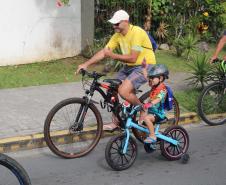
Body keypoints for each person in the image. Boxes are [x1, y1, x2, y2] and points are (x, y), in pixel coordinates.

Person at [76, 10, 156, 130]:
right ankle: (116, 121)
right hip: (129, 66)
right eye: (113, 24)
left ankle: (143, 108)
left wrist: (112, 55)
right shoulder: (117, 35)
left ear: (125, 22)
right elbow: (104, 52)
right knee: (111, 90)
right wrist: (86, 64)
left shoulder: (137, 33)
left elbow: (133, 57)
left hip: (145, 66)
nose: (114, 26)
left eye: (117, 24)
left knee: (123, 91)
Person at [142, 64, 169, 144]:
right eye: (151, 78)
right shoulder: (154, 86)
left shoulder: (163, 89)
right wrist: (143, 68)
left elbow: (158, 99)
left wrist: (150, 104)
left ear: (160, 78)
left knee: (147, 119)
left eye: (152, 78)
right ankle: (152, 140)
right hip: (152, 113)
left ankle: (153, 136)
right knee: (142, 122)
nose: (150, 80)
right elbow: (147, 77)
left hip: (159, 114)